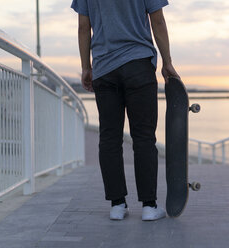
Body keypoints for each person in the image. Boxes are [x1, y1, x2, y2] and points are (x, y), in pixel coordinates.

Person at [71, 0, 179, 221]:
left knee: (109, 138)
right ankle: (149, 206)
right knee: (144, 137)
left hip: (104, 68)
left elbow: (84, 27)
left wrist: (86, 67)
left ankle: (117, 205)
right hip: (138, 64)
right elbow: (157, 20)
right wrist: (167, 62)